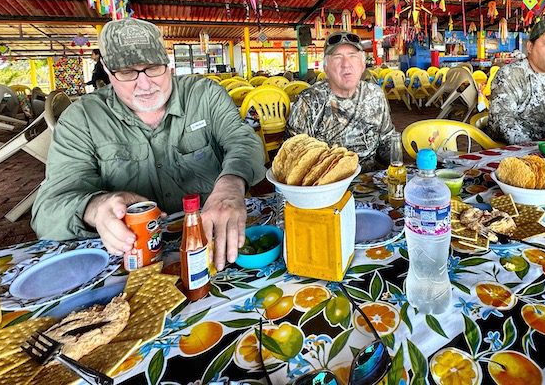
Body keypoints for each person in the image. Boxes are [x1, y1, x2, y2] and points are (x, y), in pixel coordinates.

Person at [32, 18, 265, 270]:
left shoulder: (204, 95)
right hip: (131, 258)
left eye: (153, 68)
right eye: (127, 72)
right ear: (108, 73)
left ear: (168, 65)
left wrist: (230, 184)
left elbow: (243, 140)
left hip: (213, 241)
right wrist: (95, 208)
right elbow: (47, 212)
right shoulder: (83, 118)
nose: (144, 84)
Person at [286, 31, 395, 170]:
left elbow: (387, 140)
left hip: (368, 182)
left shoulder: (375, 94)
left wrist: (399, 167)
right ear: (326, 68)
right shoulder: (308, 102)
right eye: (337, 57)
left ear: (362, 65)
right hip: (324, 185)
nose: (346, 64)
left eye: (352, 56)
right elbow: (293, 159)